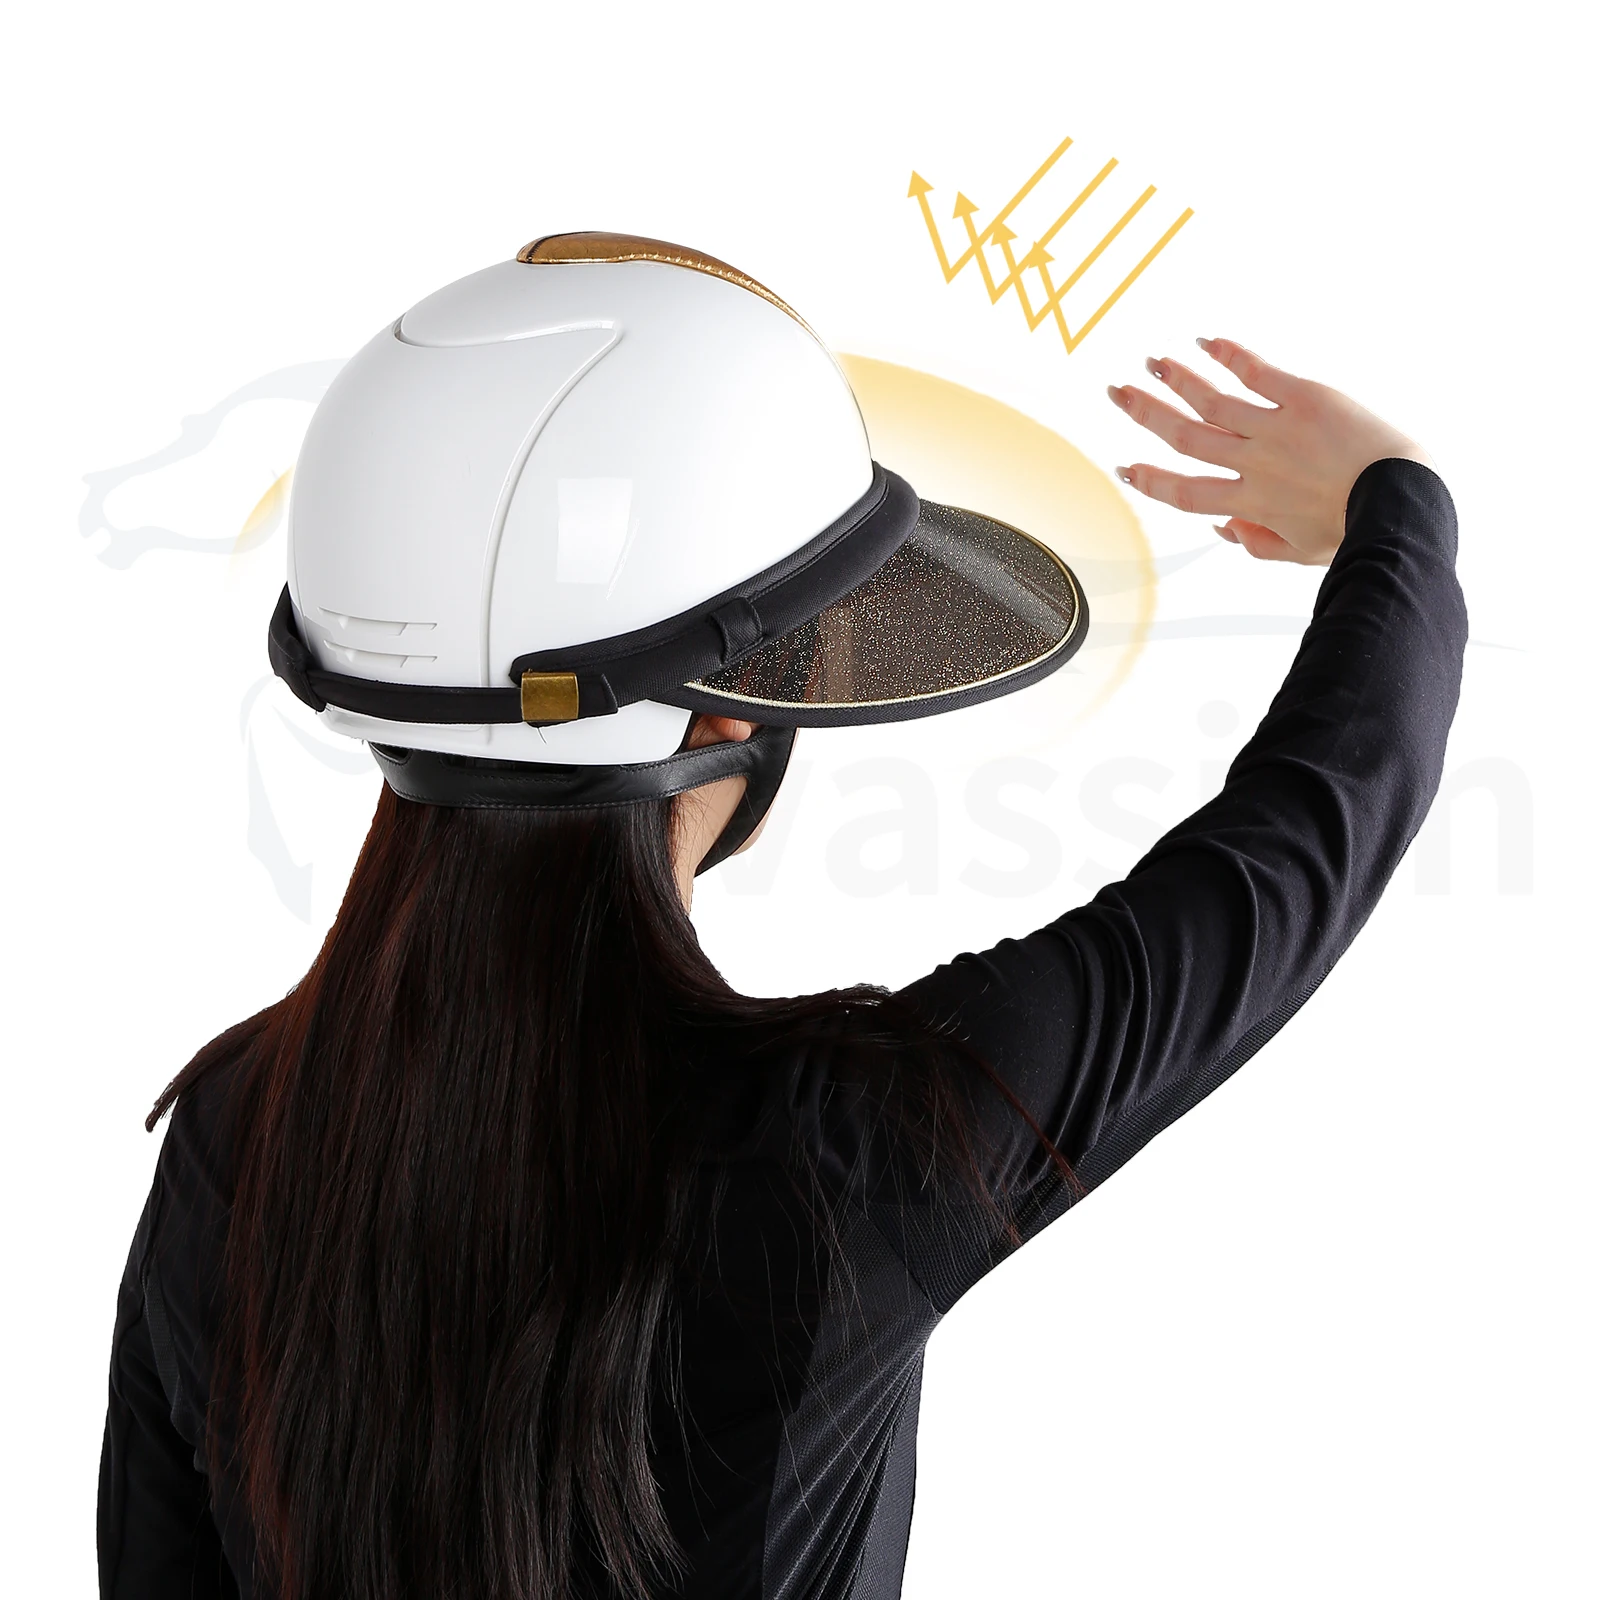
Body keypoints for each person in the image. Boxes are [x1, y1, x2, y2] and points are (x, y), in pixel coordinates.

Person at [97, 235, 1466, 1600]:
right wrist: (1395, 506)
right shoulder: (845, 1145)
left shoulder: (231, 1130)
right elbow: (1303, 843)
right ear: (729, 713)